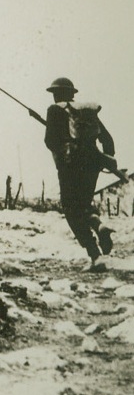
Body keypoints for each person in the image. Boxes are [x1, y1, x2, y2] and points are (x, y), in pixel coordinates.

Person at [43, 77, 117, 269]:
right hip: (93, 163)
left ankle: (95, 254)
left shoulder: (54, 110)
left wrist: (63, 150)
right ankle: (99, 225)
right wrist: (106, 159)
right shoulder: (86, 111)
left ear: (57, 94)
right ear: (72, 94)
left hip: (70, 165)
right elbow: (107, 139)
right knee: (83, 204)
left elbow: (50, 141)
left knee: (71, 210)